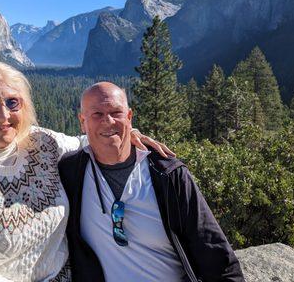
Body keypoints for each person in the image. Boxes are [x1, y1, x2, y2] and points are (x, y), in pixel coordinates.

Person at [0, 62, 172, 282]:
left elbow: (85, 141)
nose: (4, 115)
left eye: (12, 102)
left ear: (23, 107)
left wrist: (126, 133)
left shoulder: (43, 143)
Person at [59, 82, 245, 282]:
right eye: (97, 114)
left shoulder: (167, 176)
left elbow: (215, 254)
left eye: (116, 112)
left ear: (129, 117)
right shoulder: (71, 172)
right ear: (82, 121)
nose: (108, 121)